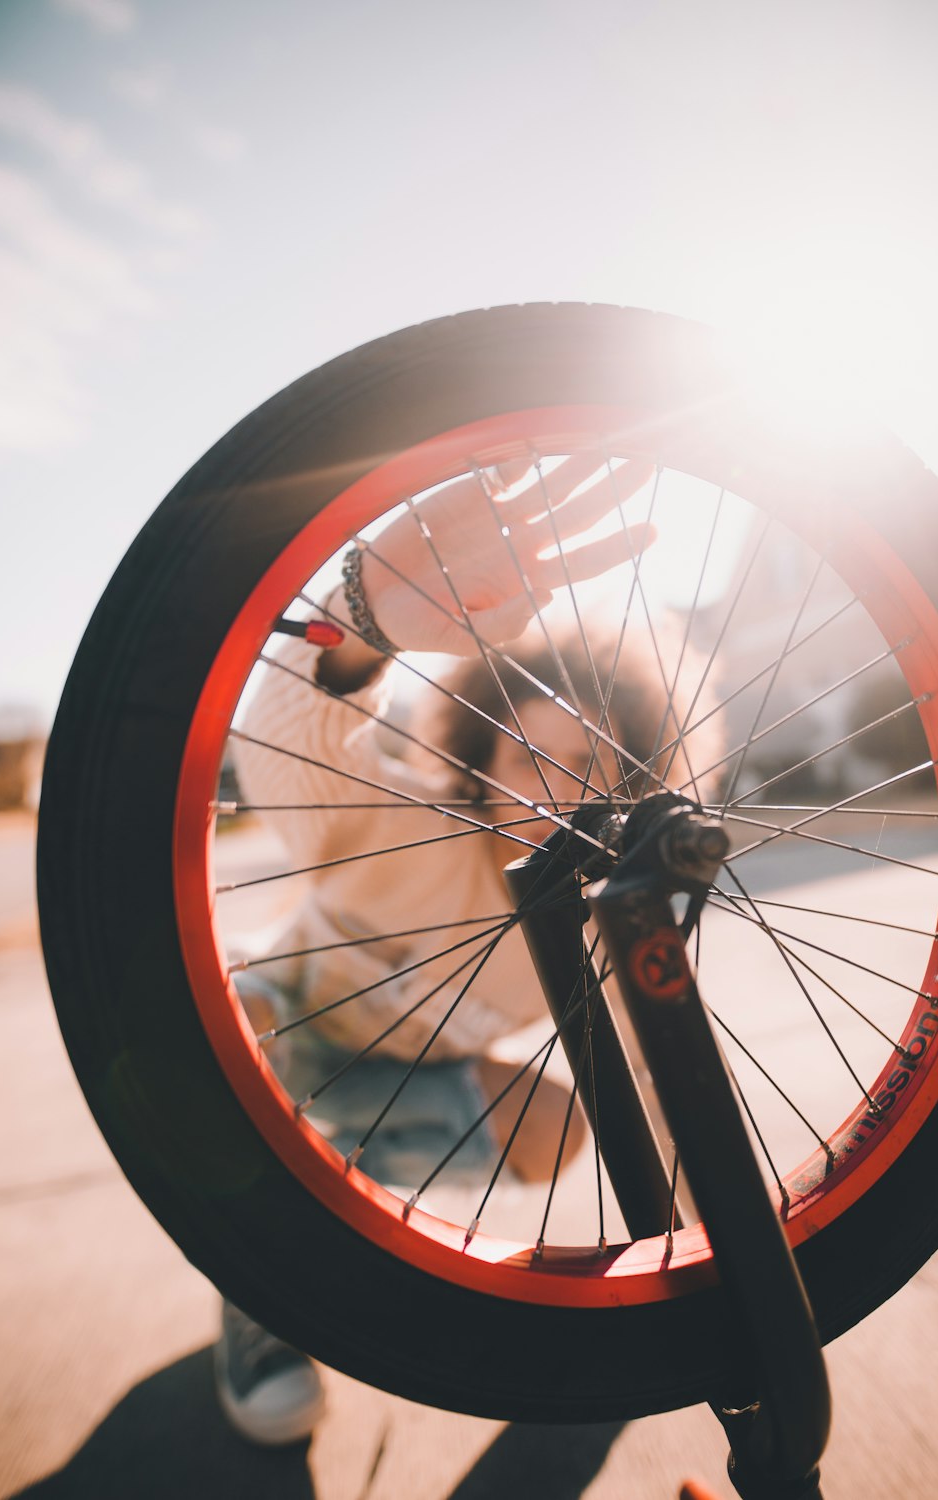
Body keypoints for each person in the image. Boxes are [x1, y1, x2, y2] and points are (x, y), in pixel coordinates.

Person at [215, 455, 716, 1443]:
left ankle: (329, 1231)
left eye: (588, 769)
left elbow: (668, 1089)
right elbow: (288, 741)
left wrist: (715, 1266)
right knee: (242, 1012)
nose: (552, 795)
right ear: (477, 757)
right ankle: (263, 1293)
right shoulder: (401, 818)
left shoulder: (608, 913)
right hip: (277, 1048)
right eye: (526, 755)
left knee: (562, 1124)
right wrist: (364, 621)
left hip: (396, 1086)